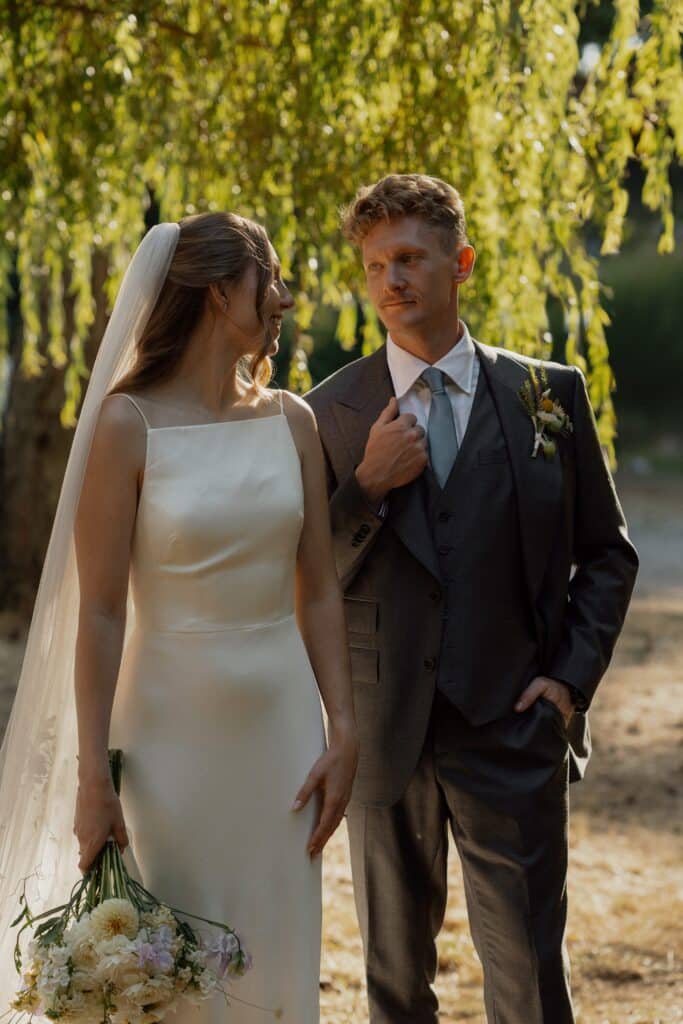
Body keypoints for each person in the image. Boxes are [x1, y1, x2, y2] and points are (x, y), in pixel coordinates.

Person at [0, 213, 358, 1024]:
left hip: (281, 738)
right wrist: (96, 777)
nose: (284, 298)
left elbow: (321, 590)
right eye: (269, 278)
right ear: (215, 292)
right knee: (174, 973)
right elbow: (96, 613)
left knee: (273, 953)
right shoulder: (127, 425)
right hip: (165, 738)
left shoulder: (291, 421)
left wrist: (344, 728)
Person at [305, 173, 639, 1024]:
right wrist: (364, 494)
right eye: (375, 264)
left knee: (530, 975)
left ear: (462, 263)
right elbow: (298, 575)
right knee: (392, 983)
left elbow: (607, 553)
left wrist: (565, 683)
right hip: (383, 738)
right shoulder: (326, 414)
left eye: (410, 258)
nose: (390, 281)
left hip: (512, 724)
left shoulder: (545, 394)